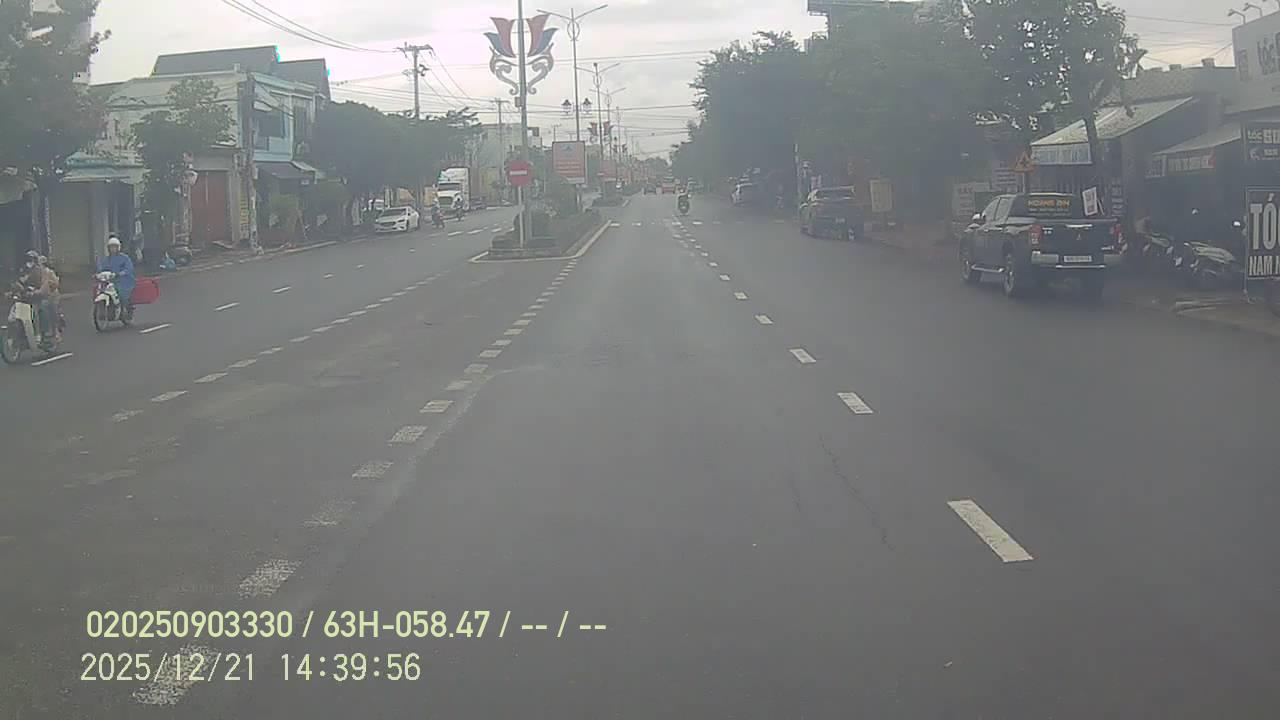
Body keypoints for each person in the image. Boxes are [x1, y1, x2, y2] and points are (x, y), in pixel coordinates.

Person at [98, 235, 136, 313]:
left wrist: (122, 273)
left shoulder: (125, 258)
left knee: (121, 292)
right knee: (100, 289)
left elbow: (129, 268)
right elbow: (101, 268)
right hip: (110, 281)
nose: (113, 249)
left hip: (124, 281)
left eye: (114, 247)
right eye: (111, 247)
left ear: (118, 247)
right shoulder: (106, 259)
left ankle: (127, 306)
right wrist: (98, 274)